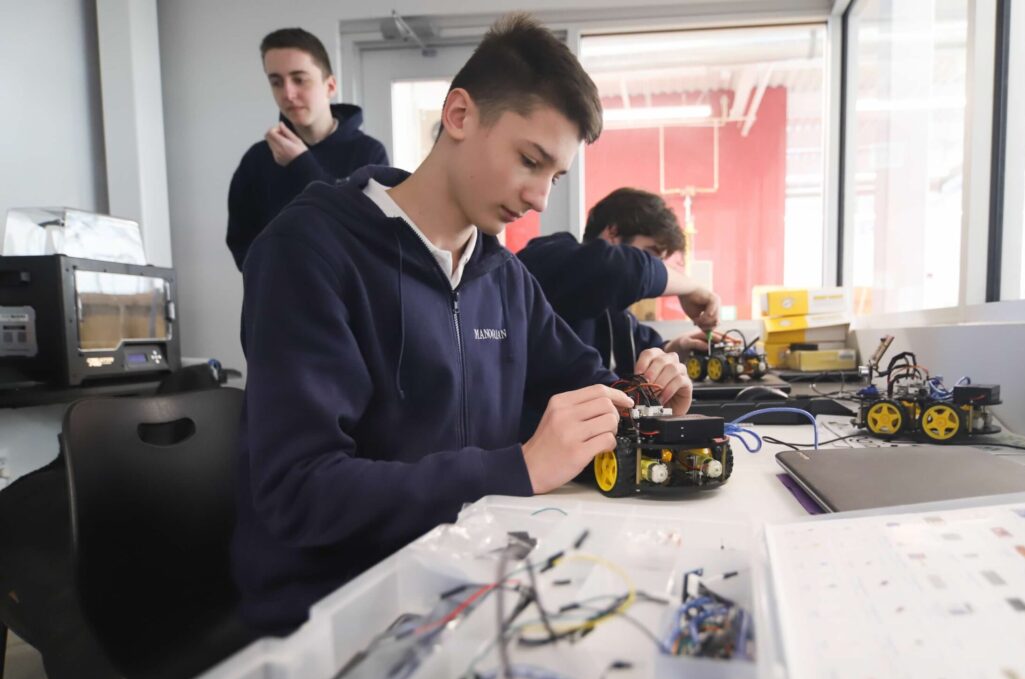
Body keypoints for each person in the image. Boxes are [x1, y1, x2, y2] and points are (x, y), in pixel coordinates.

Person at [234, 14, 691, 635]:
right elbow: (299, 491)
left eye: (554, 176)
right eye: (529, 160)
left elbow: (589, 387)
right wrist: (518, 468)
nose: (539, 198)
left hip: (473, 582)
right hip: (342, 611)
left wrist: (645, 395)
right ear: (458, 115)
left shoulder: (501, 277)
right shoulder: (308, 252)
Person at [226, 27, 390, 270]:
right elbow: (241, 241)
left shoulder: (369, 153)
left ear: (330, 86)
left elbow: (371, 235)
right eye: (276, 82)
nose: (288, 94)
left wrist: (302, 166)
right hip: (276, 290)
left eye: (299, 79)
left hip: (347, 293)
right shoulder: (257, 158)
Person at [519, 187, 721, 375]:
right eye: (650, 254)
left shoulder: (614, 311)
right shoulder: (550, 257)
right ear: (613, 233)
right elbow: (627, 269)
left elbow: (637, 350)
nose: (655, 267)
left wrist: (675, 348)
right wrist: (690, 288)